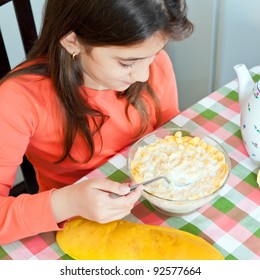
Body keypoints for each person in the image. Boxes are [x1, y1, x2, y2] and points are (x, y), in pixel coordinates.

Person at [0, 0, 193, 244]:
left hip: (150, 202)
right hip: (69, 219)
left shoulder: (154, 64)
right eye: (127, 63)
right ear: (72, 41)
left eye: (152, 56)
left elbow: (169, 136)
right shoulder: (17, 100)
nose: (144, 75)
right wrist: (69, 202)